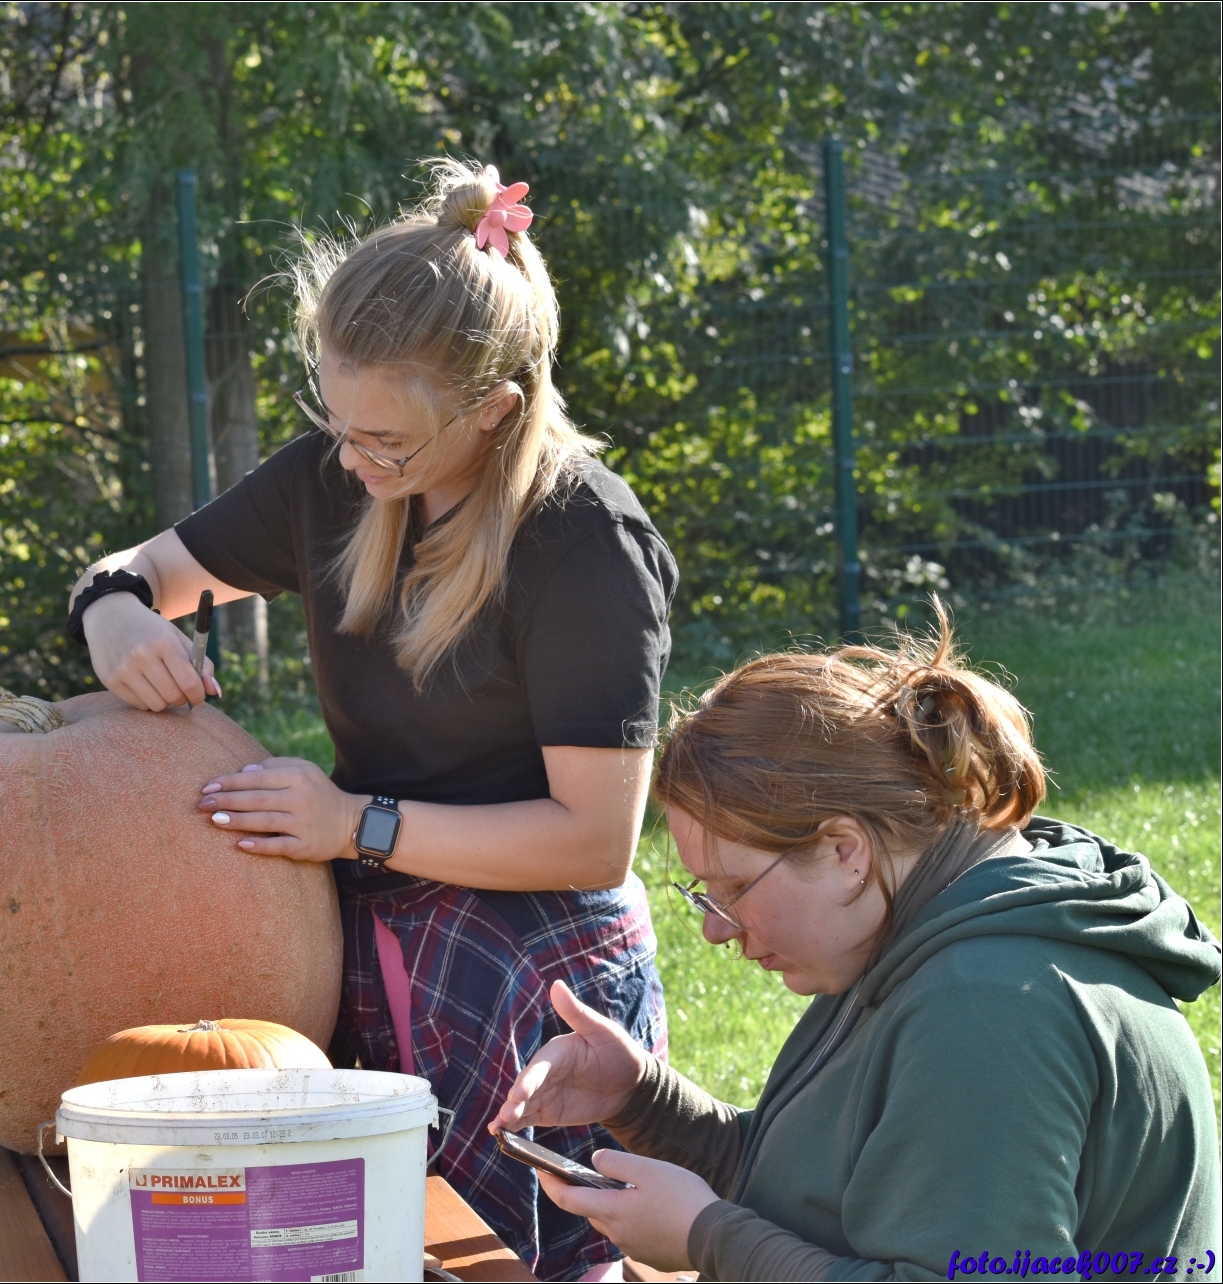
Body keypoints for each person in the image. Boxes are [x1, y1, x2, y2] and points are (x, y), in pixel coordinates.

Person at [65, 159, 676, 1279]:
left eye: (384, 441)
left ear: (493, 411)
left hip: (534, 983)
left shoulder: (586, 542)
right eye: (334, 421)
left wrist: (356, 823)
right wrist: (112, 615)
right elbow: (140, 569)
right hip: (377, 945)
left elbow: (593, 840)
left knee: (533, 1264)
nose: (350, 459)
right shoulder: (337, 477)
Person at [489, 608, 1222, 1281]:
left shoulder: (990, 1006)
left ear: (846, 851)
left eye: (732, 887)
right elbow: (827, 1188)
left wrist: (709, 1238)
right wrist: (644, 1099)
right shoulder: (922, 927)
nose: (716, 927)